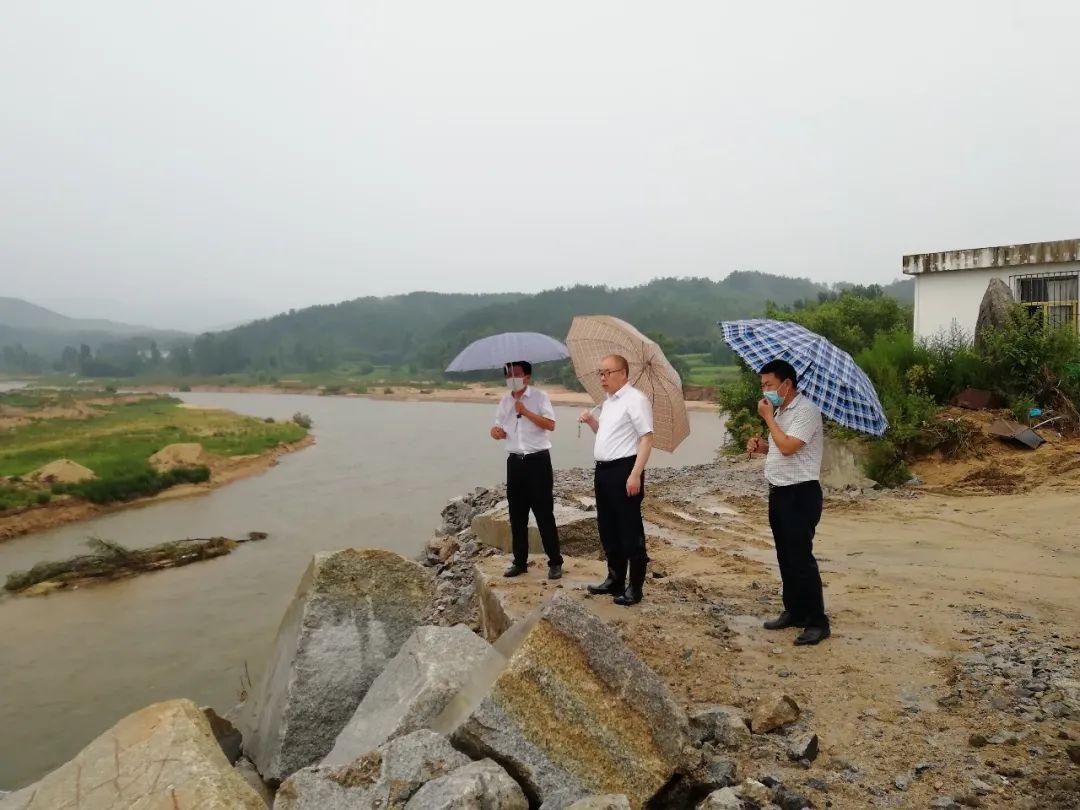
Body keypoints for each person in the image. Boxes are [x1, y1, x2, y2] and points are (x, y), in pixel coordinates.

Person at [746, 359, 829, 645]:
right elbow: (778, 447)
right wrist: (761, 447)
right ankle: (794, 610)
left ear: (787, 384)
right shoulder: (781, 411)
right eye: (763, 385)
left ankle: (817, 621)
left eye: (769, 385)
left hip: (801, 493)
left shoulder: (807, 411)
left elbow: (790, 447)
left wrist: (769, 419)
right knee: (785, 555)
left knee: (801, 558)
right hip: (779, 490)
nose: (765, 391)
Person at [578, 354, 654, 606]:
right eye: (600, 373)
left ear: (623, 373)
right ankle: (615, 578)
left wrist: (634, 474)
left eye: (607, 373)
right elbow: (608, 435)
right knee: (607, 527)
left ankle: (635, 587)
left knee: (630, 530)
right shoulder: (608, 401)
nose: (602, 378)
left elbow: (646, 438)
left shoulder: (636, 400)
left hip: (625, 470)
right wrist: (591, 422)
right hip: (603, 470)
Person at [491, 361, 563, 580]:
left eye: (516, 374)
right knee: (517, 514)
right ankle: (520, 562)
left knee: (543, 513)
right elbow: (499, 428)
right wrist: (496, 432)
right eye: (508, 374)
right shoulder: (504, 401)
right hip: (515, 462)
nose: (511, 377)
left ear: (527, 377)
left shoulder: (540, 397)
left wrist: (526, 411)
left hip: (537, 461)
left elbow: (551, 425)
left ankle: (555, 562)